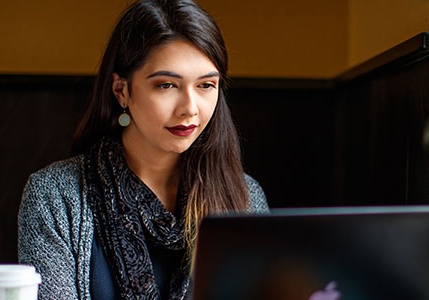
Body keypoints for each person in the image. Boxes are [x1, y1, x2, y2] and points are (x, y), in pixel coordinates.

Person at [17, 0, 268, 299]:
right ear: (122, 90)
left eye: (206, 85)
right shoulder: (55, 195)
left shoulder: (245, 197)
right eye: (166, 85)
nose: (190, 109)